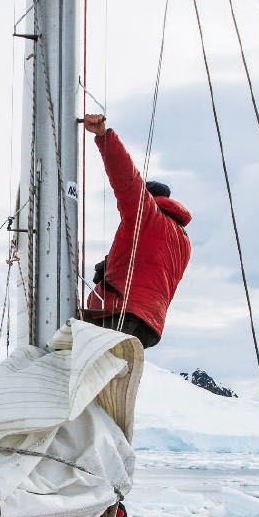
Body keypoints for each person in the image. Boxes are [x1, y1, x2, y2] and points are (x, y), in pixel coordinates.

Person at [82, 112, 192, 348]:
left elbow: (126, 178)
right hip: (150, 324)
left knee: (74, 359)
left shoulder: (146, 213)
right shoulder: (182, 239)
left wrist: (104, 136)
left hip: (119, 310)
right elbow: (148, 264)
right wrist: (111, 266)